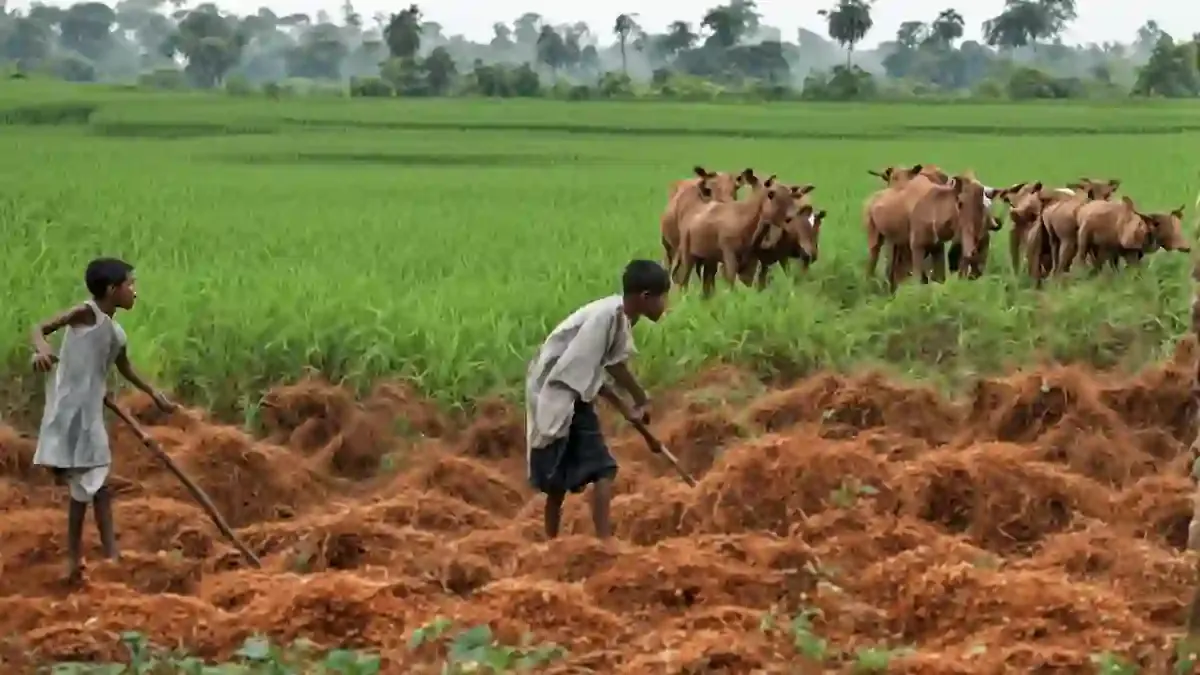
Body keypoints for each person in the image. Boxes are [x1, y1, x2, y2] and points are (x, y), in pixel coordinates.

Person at [30, 257, 176, 586]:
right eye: (131, 285)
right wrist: (41, 350)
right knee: (91, 478)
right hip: (70, 411)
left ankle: (103, 556)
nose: (135, 292)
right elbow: (40, 328)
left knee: (96, 481)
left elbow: (124, 368)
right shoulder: (86, 314)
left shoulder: (117, 333)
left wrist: (154, 394)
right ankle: (79, 558)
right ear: (112, 290)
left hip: (90, 412)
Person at [525, 259, 670, 540]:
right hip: (557, 391)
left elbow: (613, 366)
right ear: (645, 298)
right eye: (663, 298)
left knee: (572, 476)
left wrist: (639, 399)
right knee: (596, 470)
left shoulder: (619, 316)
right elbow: (585, 372)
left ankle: (555, 542)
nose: (665, 305)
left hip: (571, 391)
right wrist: (630, 405)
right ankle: (600, 543)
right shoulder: (605, 318)